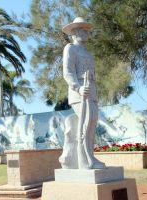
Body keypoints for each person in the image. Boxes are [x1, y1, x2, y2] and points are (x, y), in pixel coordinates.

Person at [59, 17, 105, 169]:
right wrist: (77, 87)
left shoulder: (87, 52)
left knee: (92, 122)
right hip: (79, 92)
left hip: (91, 90)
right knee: (85, 123)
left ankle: (90, 157)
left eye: (86, 31)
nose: (86, 33)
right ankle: (84, 160)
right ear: (74, 32)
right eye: (82, 30)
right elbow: (68, 72)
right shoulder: (70, 48)